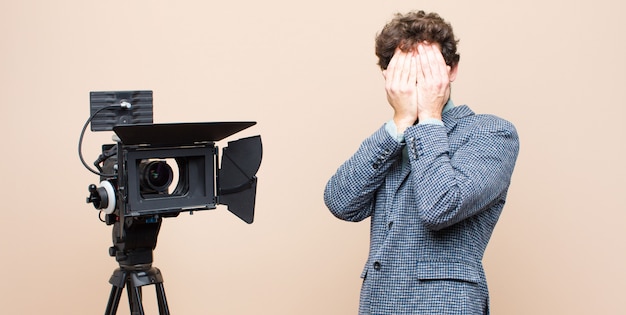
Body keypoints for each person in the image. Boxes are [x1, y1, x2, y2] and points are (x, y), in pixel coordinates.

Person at [323, 10, 519, 314]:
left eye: (428, 67)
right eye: (405, 67)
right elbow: (340, 201)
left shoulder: (492, 133)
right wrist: (399, 122)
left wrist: (429, 116)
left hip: (444, 306)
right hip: (378, 304)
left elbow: (440, 207)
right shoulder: (391, 139)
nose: (417, 77)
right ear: (388, 76)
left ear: (451, 69)